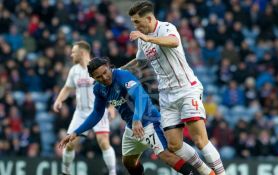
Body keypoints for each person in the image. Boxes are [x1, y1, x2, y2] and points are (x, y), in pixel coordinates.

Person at [59, 57, 215, 175]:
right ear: (94, 78)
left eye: (105, 72)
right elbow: (97, 113)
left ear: (109, 67)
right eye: (99, 77)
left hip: (147, 121)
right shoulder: (98, 89)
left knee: (166, 155)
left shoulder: (122, 76)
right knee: (129, 163)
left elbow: (141, 96)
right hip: (132, 127)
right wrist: (75, 132)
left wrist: (137, 119)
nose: (104, 77)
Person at [123, 1, 226, 174]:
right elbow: (140, 62)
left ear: (148, 18)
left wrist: (148, 38)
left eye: (137, 22)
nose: (135, 26)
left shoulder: (166, 28)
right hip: (166, 95)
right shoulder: (143, 40)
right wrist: (118, 72)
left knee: (200, 140)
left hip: (186, 89)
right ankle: (208, 173)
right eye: (133, 22)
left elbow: (174, 42)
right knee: (174, 145)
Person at [53, 41, 116, 175]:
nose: (71, 55)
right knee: (69, 144)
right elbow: (67, 88)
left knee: (104, 142)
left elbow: (110, 85)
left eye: (73, 52)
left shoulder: (97, 68)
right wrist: (59, 100)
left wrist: (111, 106)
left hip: (98, 111)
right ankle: (65, 172)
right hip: (80, 113)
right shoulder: (74, 70)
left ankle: (113, 172)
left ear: (82, 53)